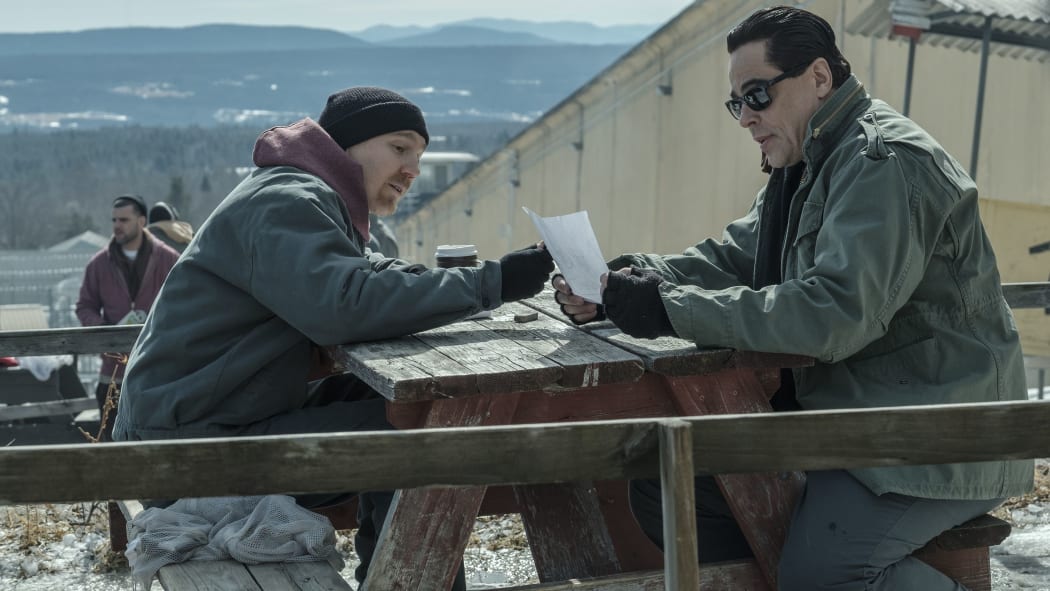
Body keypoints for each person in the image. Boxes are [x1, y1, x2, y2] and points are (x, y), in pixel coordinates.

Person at [553, 6, 1032, 590]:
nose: (746, 118)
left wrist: (665, 307)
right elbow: (734, 256)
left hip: (936, 435)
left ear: (820, 78)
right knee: (667, 484)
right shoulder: (812, 162)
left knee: (818, 578)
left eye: (758, 95)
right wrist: (625, 280)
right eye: (737, 103)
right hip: (850, 420)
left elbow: (833, 316)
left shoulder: (884, 163)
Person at [111, 86, 554, 589]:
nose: (413, 169)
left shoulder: (305, 195)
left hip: (213, 416)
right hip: (186, 450)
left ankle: (388, 577)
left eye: (420, 155)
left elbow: (363, 271)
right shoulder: (286, 202)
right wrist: (490, 283)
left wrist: (453, 283)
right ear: (348, 144)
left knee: (405, 404)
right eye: (400, 147)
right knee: (424, 441)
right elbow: (345, 304)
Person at [76, 194, 180, 441]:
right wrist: (106, 333)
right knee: (113, 449)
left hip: (158, 370)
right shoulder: (98, 264)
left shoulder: (169, 259)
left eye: (124, 219)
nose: (117, 225)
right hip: (113, 373)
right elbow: (84, 307)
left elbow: (184, 303)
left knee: (159, 444)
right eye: (114, 220)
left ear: (142, 221)